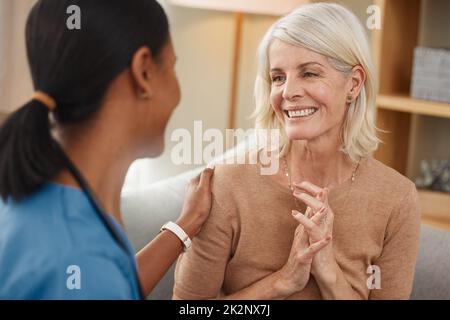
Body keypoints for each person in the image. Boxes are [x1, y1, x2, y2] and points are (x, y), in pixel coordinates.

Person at [173, 3, 421, 300]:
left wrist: (327, 268)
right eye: (278, 77)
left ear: (353, 84)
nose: (288, 92)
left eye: (309, 74)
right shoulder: (227, 186)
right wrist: (283, 280)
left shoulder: (396, 198)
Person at [0, 0, 213, 299]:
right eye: (173, 67)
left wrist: (185, 225)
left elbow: (112, 282)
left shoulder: (40, 198)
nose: (178, 93)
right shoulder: (78, 254)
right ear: (144, 72)